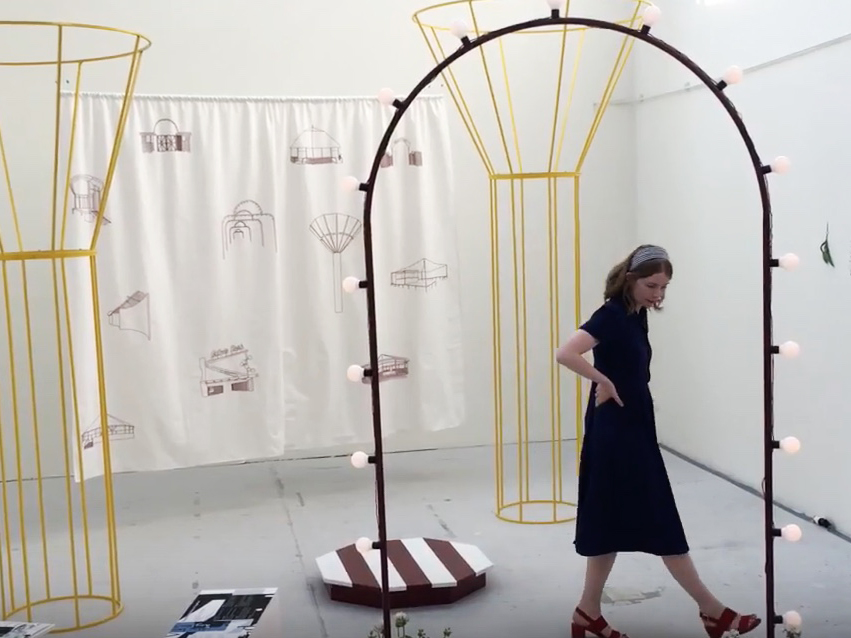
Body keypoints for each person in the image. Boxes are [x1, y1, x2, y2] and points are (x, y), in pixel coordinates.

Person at [555, 245, 761, 638]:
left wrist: (613, 382)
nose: (658, 294)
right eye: (651, 286)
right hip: (617, 433)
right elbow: (565, 353)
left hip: (632, 425)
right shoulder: (612, 315)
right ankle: (713, 611)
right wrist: (603, 380)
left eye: (664, 287)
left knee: (609, 520)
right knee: (660, 518)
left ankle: (587, 612)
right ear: (630, 279)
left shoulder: (637, 315)